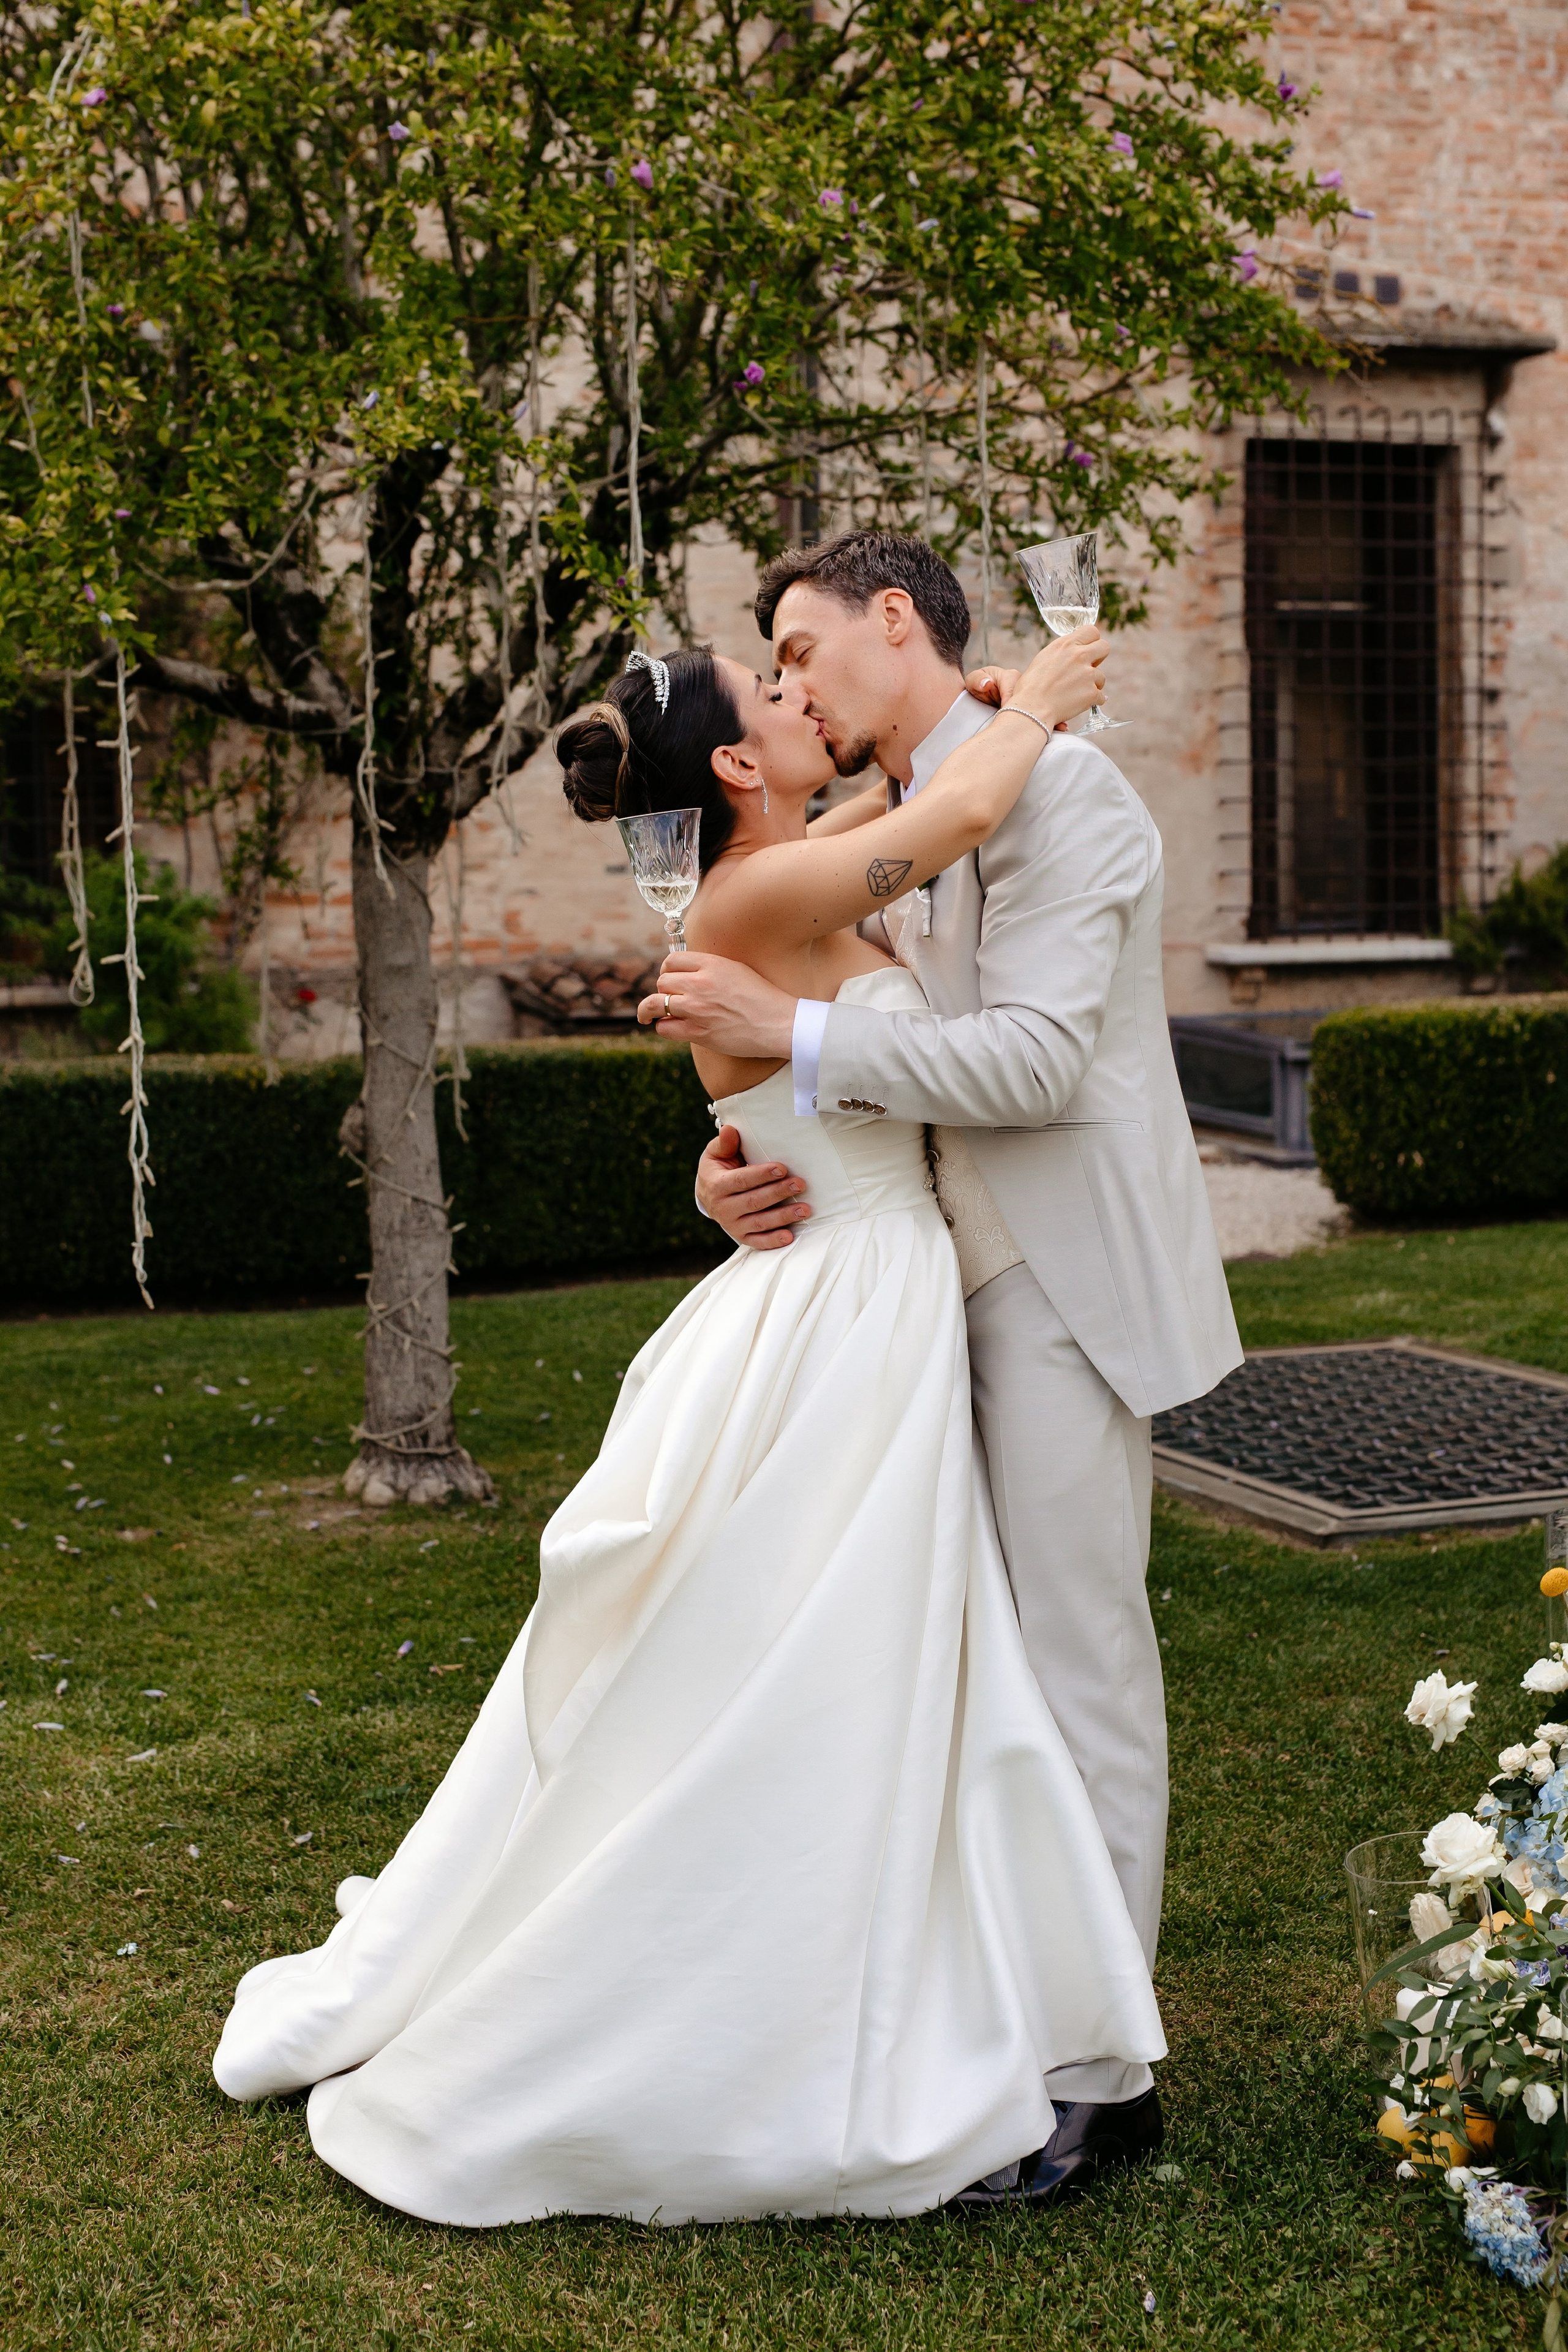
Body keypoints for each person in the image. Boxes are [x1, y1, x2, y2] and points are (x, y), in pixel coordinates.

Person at [210, 624, 1167, 2229]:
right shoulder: (762, 892)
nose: (805, 701)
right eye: (780, 695)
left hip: (862, 1290)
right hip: (851, 1308)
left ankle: (951, 1972)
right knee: (818, 1659)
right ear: (735, 764)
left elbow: (901, 827)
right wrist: (1050, 699)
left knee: (846, 1654)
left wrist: (970, 712)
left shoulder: (784, 869)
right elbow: (952, 824)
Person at [641, 531, 1243, 2207]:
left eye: (801, 644)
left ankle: (1096, 2080)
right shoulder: (878, 820)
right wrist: (738, 1149)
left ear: (894, 621)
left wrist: (794, 1042)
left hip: (1050, 1282)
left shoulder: (1070, 795)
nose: (795, 679)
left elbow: (1043, 1058)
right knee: (947, 1675)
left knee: (1077, 1670)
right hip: (902, 1300)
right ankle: (975, 2014)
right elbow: (810, 1002)